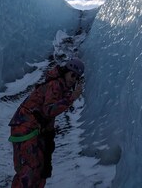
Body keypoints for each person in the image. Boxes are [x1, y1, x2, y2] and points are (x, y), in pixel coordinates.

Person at [9, 57, 85, 187]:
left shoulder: (61, 87)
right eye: (73, 75)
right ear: (66, 71)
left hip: (31, 128)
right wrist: (71, 98)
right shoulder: (55, 85)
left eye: (77, 77)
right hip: (25, 127)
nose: (74, 79)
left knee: (41, 169)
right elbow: (48, 110)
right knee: (30, 168)